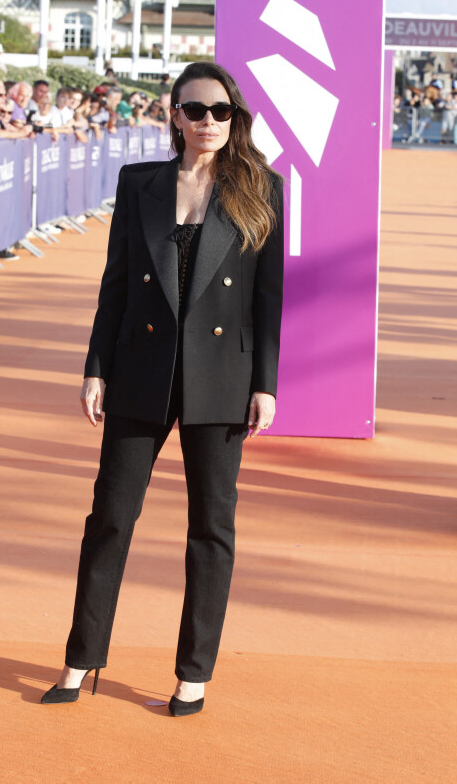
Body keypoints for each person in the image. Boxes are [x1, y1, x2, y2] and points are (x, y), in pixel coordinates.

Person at [40, 61, 284, 716]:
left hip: (222, 378)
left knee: (212, 526)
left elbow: (268, 298)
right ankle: (81, 656)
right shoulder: (139, 182)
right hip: (140, 366)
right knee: (110, 516)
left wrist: (265, 383)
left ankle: (193, 673)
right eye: (196, 110)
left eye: (221, 111)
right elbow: (115, 282)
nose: (209, 122)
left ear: (234, 119)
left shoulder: (261, 187)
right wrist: (96, 364)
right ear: (174, 115)